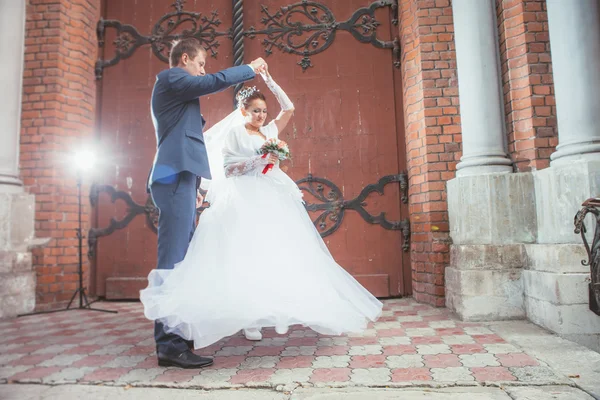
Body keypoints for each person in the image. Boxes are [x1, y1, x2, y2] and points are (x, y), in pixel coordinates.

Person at [141, 67, 382, 353]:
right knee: (244, 252)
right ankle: (248, 317)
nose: (261, 116)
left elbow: (289, 108)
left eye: (264, 111)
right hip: (242, 197)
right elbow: (229, 170)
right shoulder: (235, 135)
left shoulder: (269, 132)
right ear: (243, 111)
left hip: (270, 196)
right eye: (255, 111)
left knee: (277, 251)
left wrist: (268, 80)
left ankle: (282, 306)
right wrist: (259, 161)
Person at [147, 37, 267, 369]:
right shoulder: (170, 77)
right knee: (173, 261)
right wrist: (248, 69)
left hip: (183, 178)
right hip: (172, 177)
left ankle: (177, 336)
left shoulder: (180, 94)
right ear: (184, 59)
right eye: (200, 63)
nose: (203, 70)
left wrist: (196, 184)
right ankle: (168, 344)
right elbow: (210, 83)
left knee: (182, 260)